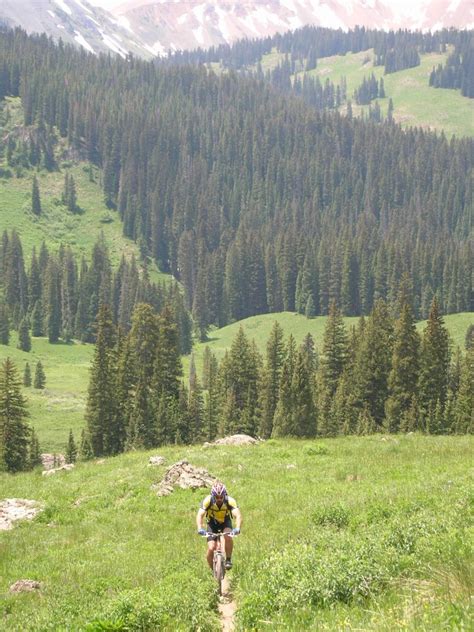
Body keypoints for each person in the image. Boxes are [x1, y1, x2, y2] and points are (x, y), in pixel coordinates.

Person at [196, 481, 242, 570]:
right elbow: (200, 515)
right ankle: (212, 571)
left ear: (225, 495)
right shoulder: (207, 500)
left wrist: (237, 528)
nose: (219, 499)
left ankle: (228, 559)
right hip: (212, 523)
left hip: (225, 521)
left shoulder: (230, 501)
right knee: (211, 547)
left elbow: (238, 515)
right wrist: (200, 528)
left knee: (228, 536)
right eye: (217, 497)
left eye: (221, 497)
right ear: (213, 496)